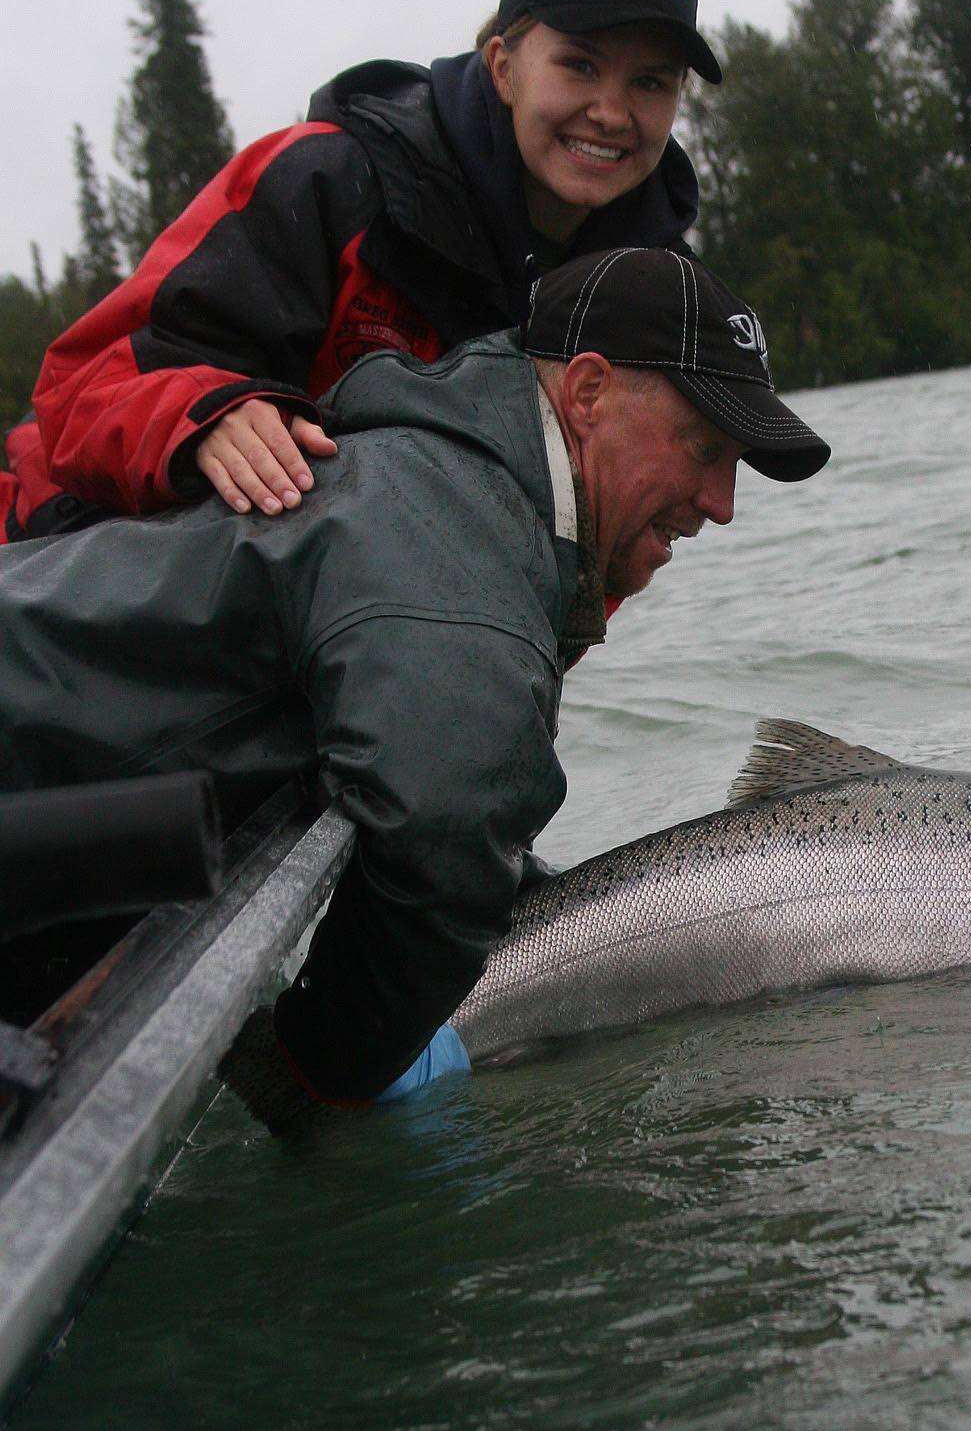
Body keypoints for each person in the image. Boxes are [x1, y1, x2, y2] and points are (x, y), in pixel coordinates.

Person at [0, 247, 830, 1105]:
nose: (724, 503)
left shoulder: (447, 483)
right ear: (586, 392)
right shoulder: (459, 531)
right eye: (704, 446)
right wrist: (316, 1080)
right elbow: (447, 821)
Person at [2, 0, 721, 542]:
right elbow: (80, 387)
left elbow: (603, 536)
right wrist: (206, 418)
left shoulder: (657, 293)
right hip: (59, 552)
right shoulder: (326, 176)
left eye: (650, 83)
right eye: (580, 66)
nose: (609, 111)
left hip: (333, 617)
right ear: (503, 66)